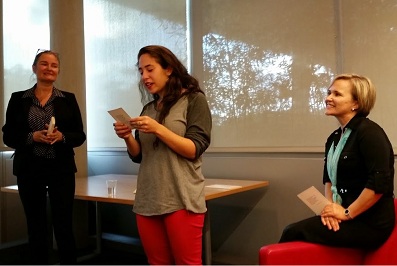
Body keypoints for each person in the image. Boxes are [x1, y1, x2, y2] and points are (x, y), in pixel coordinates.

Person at [113, 45, 212, 265]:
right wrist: (128, 137)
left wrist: (158, 128)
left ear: (168, 69)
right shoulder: (148, 108)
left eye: (150, 69)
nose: (145, 77)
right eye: (141, 72)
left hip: (181, 197)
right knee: (157, 262)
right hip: (148, 198)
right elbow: (139, 155)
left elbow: (194, 149)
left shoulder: (194, 100)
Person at [279, 74, 395, 249]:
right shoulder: (334, 138)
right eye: (328, 93)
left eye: (337, 94)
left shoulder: (370, 133)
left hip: (368, 224)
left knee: (292, 231)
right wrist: (330, 210)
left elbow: (379, 184)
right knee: (293, 230)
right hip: (344, 214)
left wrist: (347, 213)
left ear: (356, 103)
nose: (328, 98)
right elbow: (329, 179)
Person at [2, 50, 86, 264]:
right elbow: (9, 135)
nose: (49, 68)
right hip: (29, 169)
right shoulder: (18, 99)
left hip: (61, 169)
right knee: (36, 225)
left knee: (63, 224)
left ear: (58, 71)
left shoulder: (68, 99)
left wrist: (62, 136)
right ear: (34, 68)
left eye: (54, 65)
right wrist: (33, 137)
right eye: (44, 64)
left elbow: (79, 135)